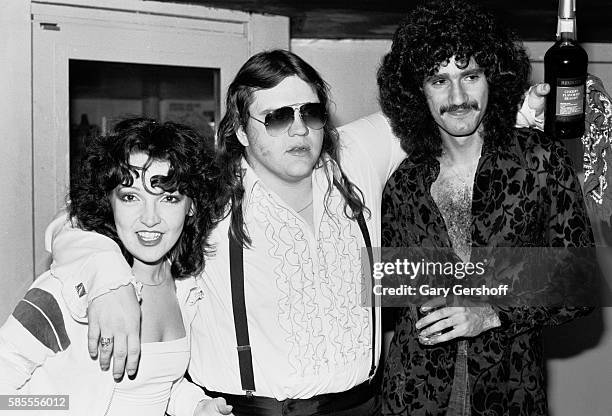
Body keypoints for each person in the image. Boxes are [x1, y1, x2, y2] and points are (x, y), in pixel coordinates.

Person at [42, 50, 548, 415]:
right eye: (278, 117)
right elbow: (72, 223)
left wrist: (520, 113)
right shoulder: (207, 188)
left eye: (309, 112)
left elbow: (450, 115)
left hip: (362, 407)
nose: (299, 129)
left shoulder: (356, 157)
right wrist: (107, 279)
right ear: (241, 130)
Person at [377, 1, 595, 415]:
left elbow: (579, 280)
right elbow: (398, 299)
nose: (458, 97)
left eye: (470, 76)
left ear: (492, 79)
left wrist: (493, 310)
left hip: (508, 391)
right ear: (416, 92)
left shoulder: (539, 160)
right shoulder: (403, 183)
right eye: (439, 81)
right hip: (413, 397)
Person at [0, 119, 233, 416]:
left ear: (192, 207)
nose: (150, 218)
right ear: (108, 201)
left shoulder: (185, 288)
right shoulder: (67, 288)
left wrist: (194, 405)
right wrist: (64, 406)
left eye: (169, 198)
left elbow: (157, 383)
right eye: (130, 197)